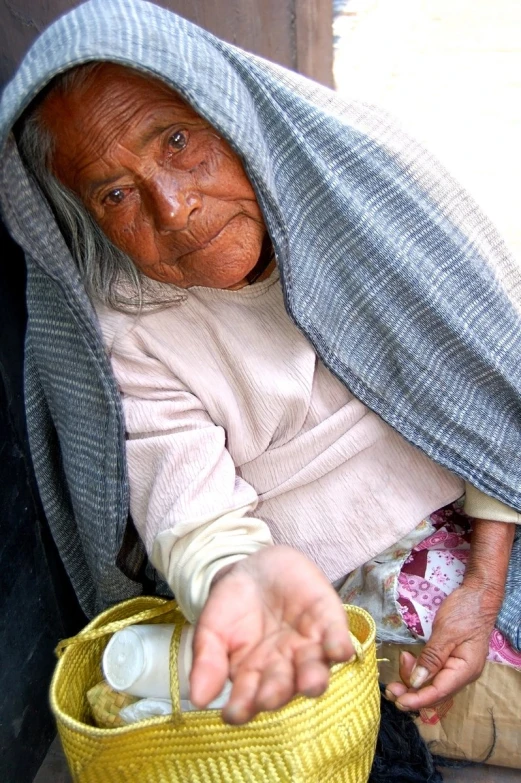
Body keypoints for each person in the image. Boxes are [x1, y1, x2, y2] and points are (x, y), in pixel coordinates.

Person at [1, 0, 520, 726]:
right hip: (342, 588)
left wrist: (486, 579)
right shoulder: (127, 330)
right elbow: (194, 522)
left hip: (496, 506)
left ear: (229, 114)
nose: (173, 206)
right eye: (115, 193)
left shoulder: (363, 185)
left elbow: (494, 372)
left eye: (177, 140)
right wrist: (241, 575)